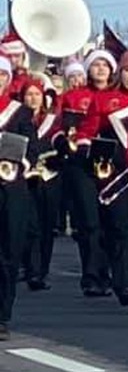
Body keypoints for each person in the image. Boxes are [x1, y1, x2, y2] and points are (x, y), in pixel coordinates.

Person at [74, 50, 128, 306]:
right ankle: (125, 283)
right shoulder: (104, 98)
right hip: (116, 175)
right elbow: (87, 130)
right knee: (122, 228)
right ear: (121, 71)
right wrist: (87, 146)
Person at [57, 50, 115, 298]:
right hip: (81, 165)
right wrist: (65, 143)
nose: (100, 69)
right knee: (89, 222)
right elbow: (59, 127)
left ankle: (113, 272)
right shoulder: (74, 96)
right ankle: (91, 276)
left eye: (105, 65)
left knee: (112, 223)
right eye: (96, 65)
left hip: (113, 165)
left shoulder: (120, 96)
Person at [0, 55, 37, 340]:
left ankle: (2, 315)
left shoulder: (21, 112)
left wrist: (16, 163)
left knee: (9, 252)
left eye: (2, 75)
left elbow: (31, 150)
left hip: (11, 189)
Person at [21, 82, 57, 292]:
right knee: (30, 226)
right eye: (29, 94)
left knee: (46, 226)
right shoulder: (17, 117)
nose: (33, 98)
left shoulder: (53, 120)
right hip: (26, 176)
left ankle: (41, 270)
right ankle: (31, 270)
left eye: (37, 94)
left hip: (50, 177)